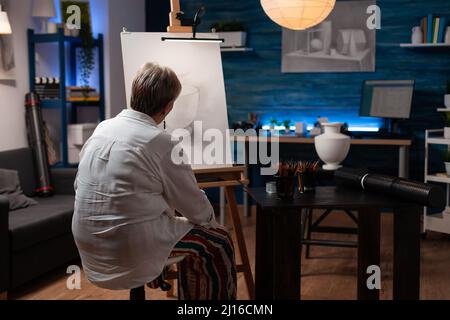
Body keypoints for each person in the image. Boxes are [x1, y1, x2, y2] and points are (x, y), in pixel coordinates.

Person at [72, 62, 237, 300]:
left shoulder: (103, 128)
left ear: (134, 95)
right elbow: (196, 210)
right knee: (218, 241)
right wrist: (211, 222)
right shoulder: (161, 141)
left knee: (165, 221)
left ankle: (157, 273)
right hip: (128, 247)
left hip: (88, 245)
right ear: (168, 107)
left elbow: (82, 186)